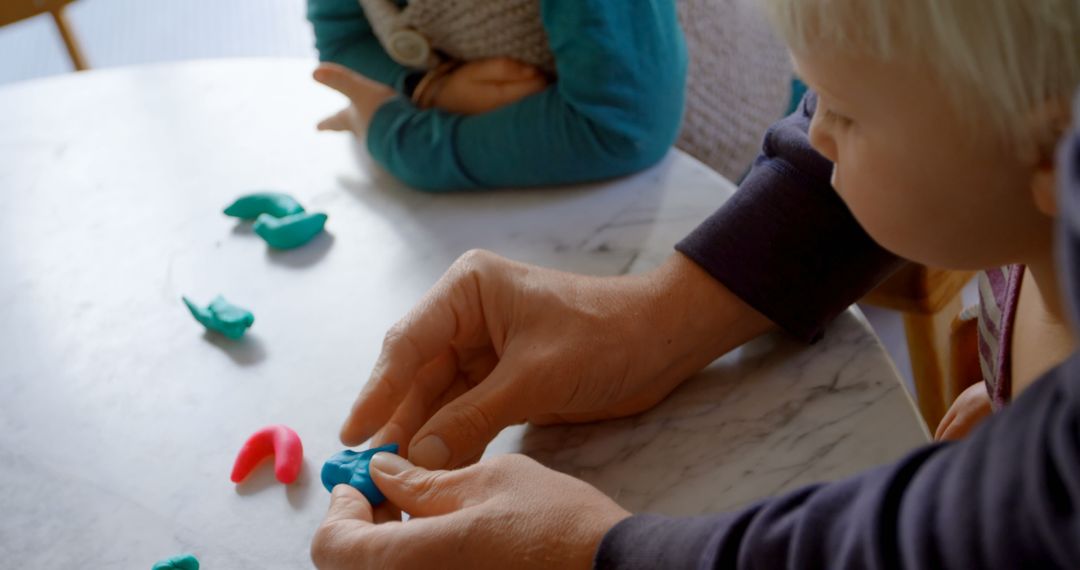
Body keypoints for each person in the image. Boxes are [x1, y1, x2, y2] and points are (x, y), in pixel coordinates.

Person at [310, 1, 1080, 568]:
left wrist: (596, 552)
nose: (812, 131)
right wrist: (657, 318)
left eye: (843, 113)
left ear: (1054, 149)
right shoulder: (1030, 194)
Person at [305, 0, 686, 191]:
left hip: (694, 195)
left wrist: (395, 136)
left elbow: (622, 130)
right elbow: (344, 40)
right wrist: (431, 89)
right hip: (522, 193)